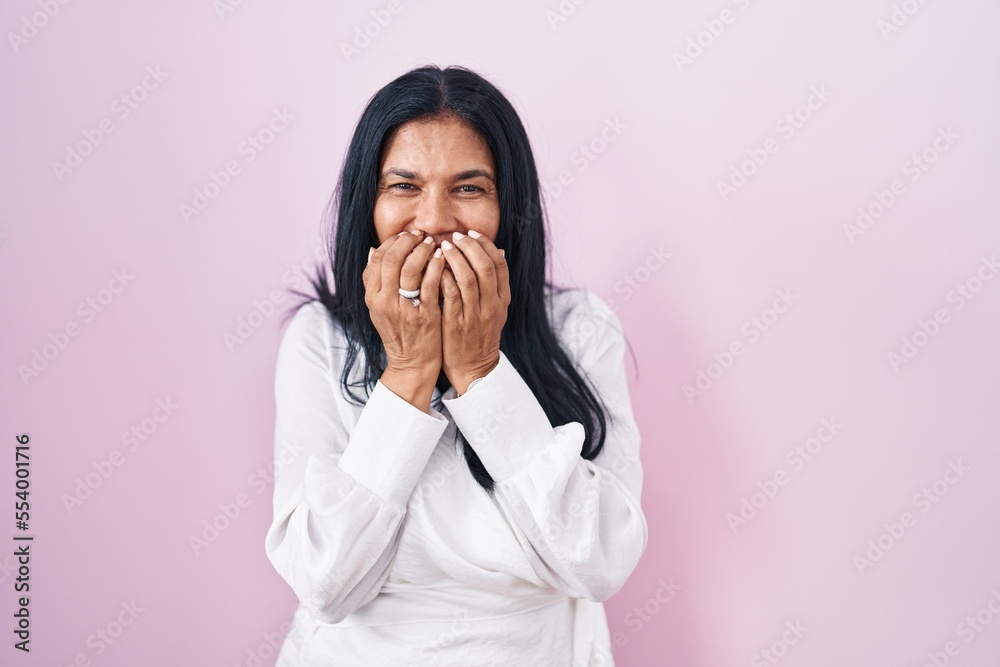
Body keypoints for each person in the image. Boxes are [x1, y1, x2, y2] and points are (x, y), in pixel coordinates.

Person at [264, 64, 648, 666]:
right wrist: (411, 371)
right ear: (368, 205)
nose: (436, 220)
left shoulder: (581, 329)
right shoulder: (321, 341)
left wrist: (480, 370)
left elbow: (598, 562)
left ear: (509, 211)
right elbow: (324, 584)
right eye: (404, 187)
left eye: (469, 188)